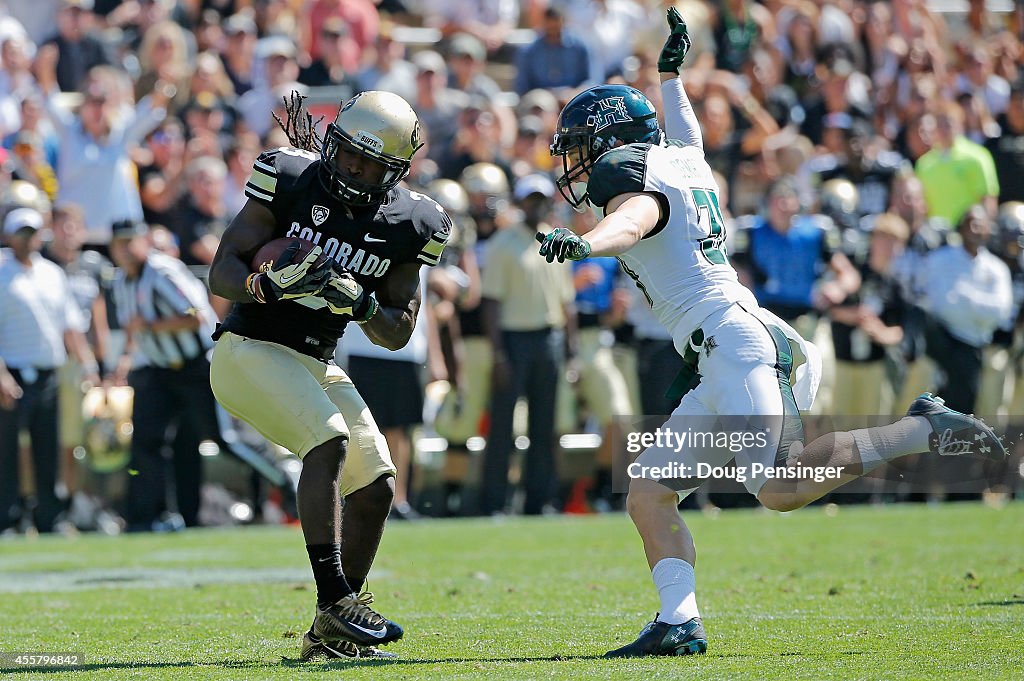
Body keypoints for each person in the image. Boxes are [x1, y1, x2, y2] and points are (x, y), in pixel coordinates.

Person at [536, 9, 1007, 658]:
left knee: (779, 487)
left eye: (582, 146)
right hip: (719, 352)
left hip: (739, 344)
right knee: (648, 489)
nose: (579, 164)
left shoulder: (633, 178)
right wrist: (670, 77)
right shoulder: (686, 161)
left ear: (612, 139)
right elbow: (687, 136)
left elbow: (638, 217)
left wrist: (589, 244)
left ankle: (922, 426)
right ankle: (679, 620)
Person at [207, 90, 450, 660]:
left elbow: (397, 330)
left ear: (396, 170)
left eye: (370, 163)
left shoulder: (414, 221)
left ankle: (331, 635)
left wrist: (360, 303)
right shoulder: (290, 178)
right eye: (346, 154)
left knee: (376, 483)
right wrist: (263, 285)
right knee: (328, 438)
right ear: (332, 142)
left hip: (315, 360)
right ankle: (337, 599)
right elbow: (223, 270)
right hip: (248, 348)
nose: (353, 169)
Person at [109, 219, 220, 531]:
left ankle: (283, 485)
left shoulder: (164, 272)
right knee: (145, 442)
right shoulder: (120, 281)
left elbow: (195, 316)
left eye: (132, 241)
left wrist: (152, 326)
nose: (127, 249)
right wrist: (126, 358)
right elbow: (135, 329)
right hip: (159, 370)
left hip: (196, 366)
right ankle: (146, 516)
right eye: (120, 244)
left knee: (217, 440)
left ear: (144, 241)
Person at [0, 207, 100, 534]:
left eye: (32, 232)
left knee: (48, 448)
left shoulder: (52, 273)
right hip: (11, 372)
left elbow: (69, 325)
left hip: (48, 373)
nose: (27, 239)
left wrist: (87, 364)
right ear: (9, 236)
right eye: (21, 232)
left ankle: (49, 517)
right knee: (8, 451)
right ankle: (10, 517)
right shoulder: (1, 272)